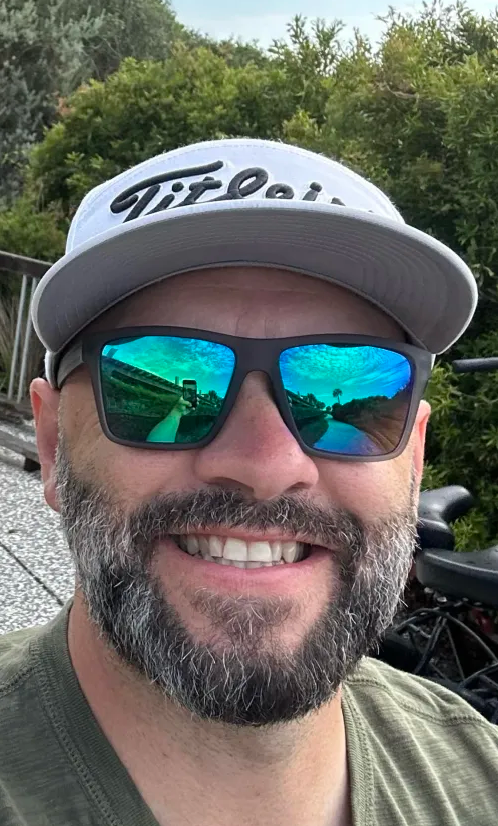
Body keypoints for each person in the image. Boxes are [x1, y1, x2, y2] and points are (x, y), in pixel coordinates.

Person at [0, 138, 496, 826]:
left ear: (411, 462)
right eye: (182, 367)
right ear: (53, 446)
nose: (267, 465)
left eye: (353, 387)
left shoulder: (481, 774)